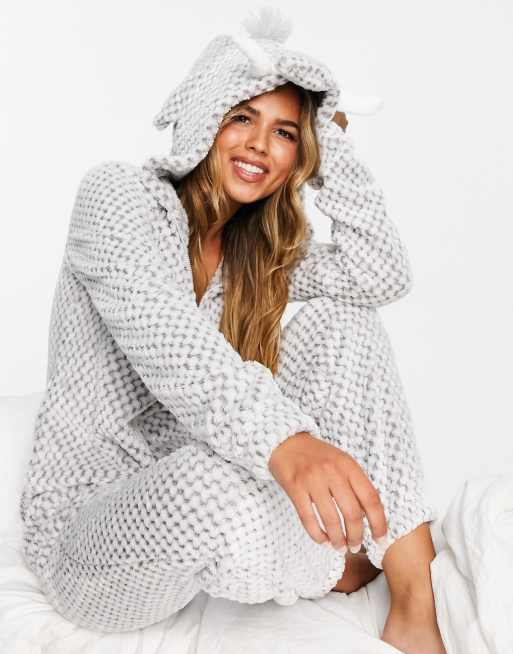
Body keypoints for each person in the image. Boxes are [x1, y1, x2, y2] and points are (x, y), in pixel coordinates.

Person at [18, 6, 446, 652]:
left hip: (198, 496)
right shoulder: (117, 200)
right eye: (241, 117)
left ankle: (414, 599)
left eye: (284, 132)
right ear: (204, 116)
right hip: (88, 539)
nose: (258, 145)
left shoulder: (258, 252)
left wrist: (330, 142)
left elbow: (378, 274)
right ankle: (339, 561)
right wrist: (289, 442)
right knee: (206, 483)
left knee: (344, 323)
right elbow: (173, 347)